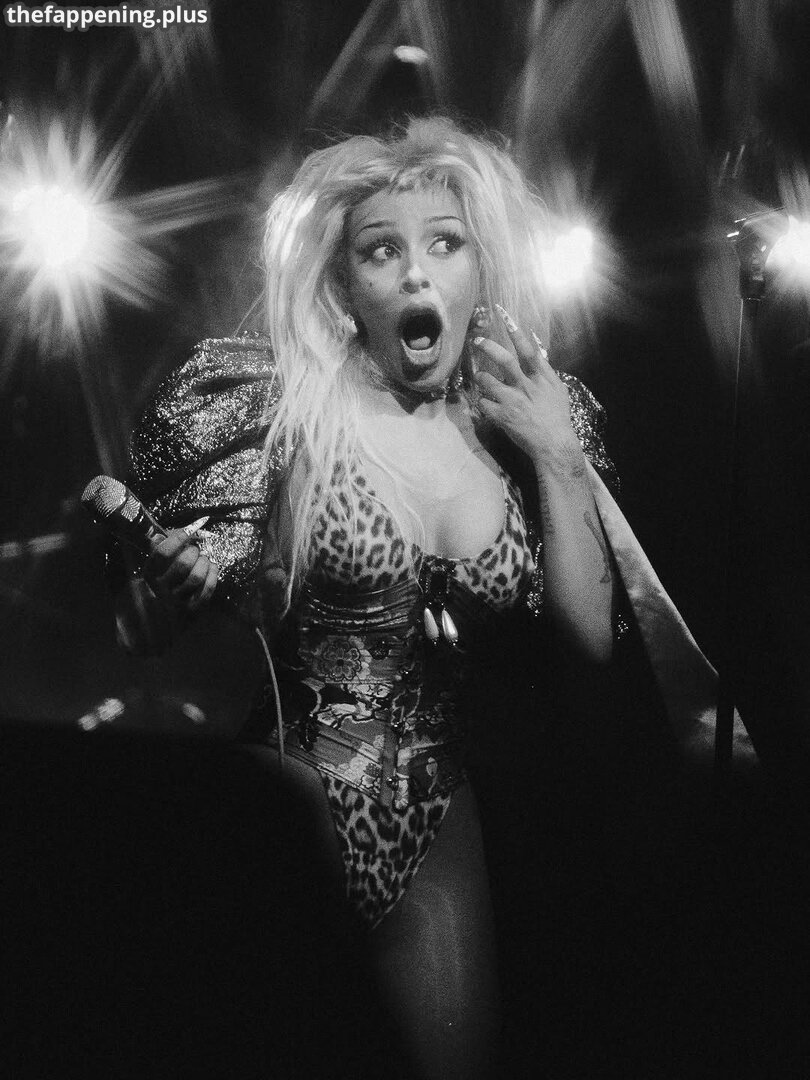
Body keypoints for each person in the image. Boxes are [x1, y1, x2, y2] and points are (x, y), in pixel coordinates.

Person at [115, 117, 742, 1079]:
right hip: (296, 794)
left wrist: (557, 457)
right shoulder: (287, 410)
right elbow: (158, 624)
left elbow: (587, 647)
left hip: (441, 813)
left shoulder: (531, 421)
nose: (416, 273)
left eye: (444, 243)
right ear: (342, 286)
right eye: (382, 251)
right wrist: (164, 578)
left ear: (479, 268)